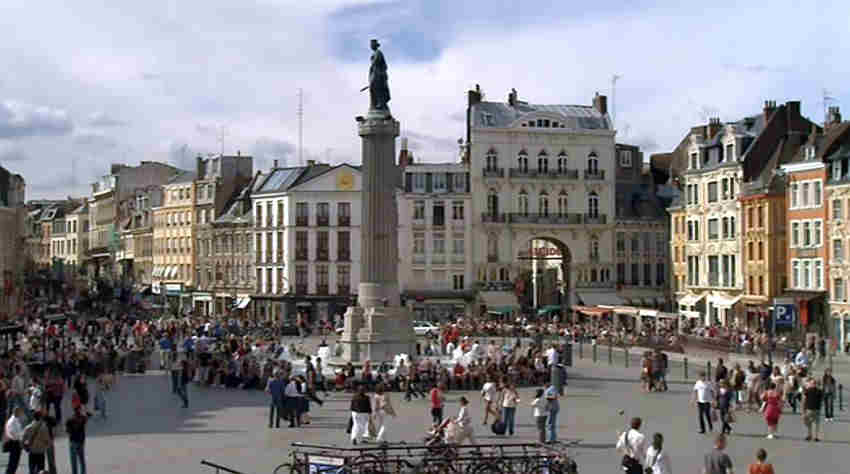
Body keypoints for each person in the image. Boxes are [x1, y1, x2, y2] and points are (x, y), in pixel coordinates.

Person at [66, 407, 88, 474]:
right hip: (81, 442)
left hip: (73, 441)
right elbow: (87, 417)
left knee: (73, 461)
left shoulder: (69, 420)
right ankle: (83, 472)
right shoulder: (83, 419)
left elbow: (67, 431)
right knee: (82, 459)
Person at [4, 406, 26, 474]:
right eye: (20, 412)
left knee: (14, 462)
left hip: (16, 443)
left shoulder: (15, 420)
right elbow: (12, 433)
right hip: (15, 443)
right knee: (13, 462)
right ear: (16, 412)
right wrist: (20, 438)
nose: (21, 413)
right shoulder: (12, 421)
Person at [801, 377, 823, 442]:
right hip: (812, 409)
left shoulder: (817, 391)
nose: (813, 384)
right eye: (812, 383)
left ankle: (813, 436)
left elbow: (804, 400)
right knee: (812, 423)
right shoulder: (809, 390)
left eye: (813, 383)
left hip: (812, 409)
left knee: (813, 423)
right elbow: (821, 400)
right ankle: (813, 436)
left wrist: (803, 410)